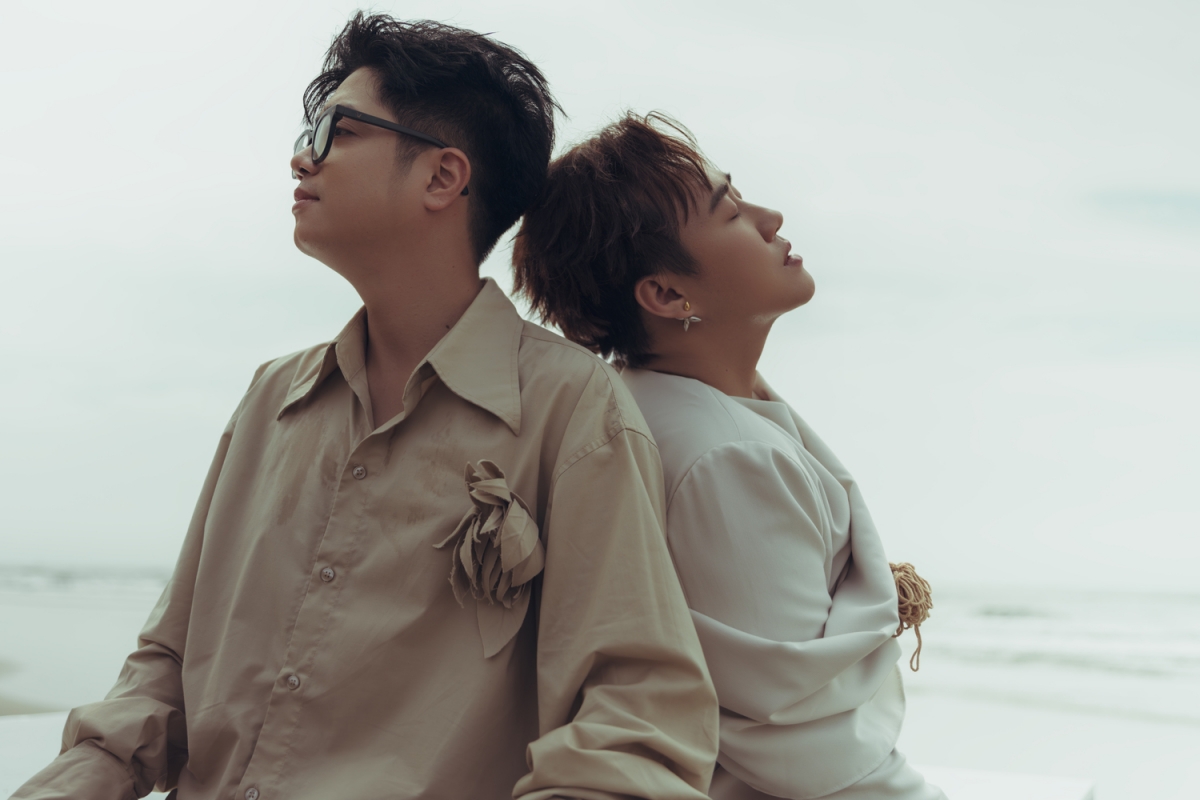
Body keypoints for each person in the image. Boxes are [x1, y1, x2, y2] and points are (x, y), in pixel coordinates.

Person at [14, 19, 719, 800]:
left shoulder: (570, 407)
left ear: (443, 177)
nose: (302, 156)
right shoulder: (271, 400)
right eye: (307, 132)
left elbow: (635, 720)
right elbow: (165, 671)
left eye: (337, 131)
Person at [513, 113, 945, 800]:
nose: (771, 219)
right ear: (667, 294)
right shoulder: (722, 457)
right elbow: (796, 725)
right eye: (732, 213)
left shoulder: (649, 412)